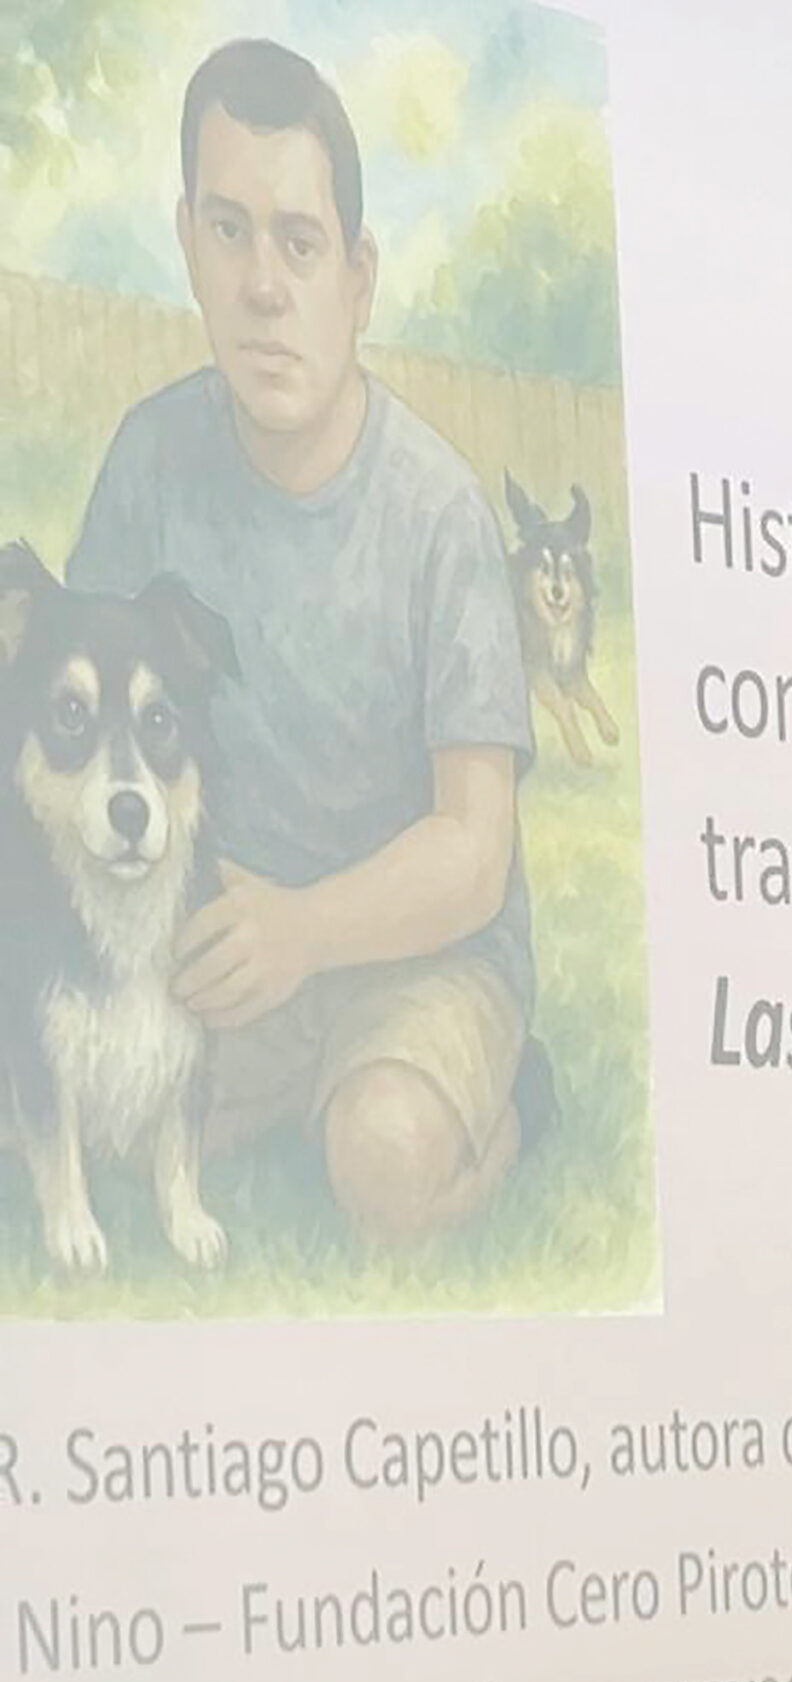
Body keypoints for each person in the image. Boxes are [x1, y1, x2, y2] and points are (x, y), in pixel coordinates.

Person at [67, 36, 538, 1247]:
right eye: (229, 233)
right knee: (88, 1131)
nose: (264, 287)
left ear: (359, 276)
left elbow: (476, 851)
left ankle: (506, 1102)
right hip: (223, 951)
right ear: (185, 243)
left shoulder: (437, 513)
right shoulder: (150, 462)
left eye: (299, 242)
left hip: (419, 949)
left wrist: (306, 932)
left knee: (381, 1165)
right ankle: (272, 1104)